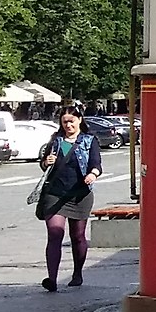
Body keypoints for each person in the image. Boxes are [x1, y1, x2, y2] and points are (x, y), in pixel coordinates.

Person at [36, 107, 102, 292]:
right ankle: (52, 279)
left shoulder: (89, 141)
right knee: (55, 232)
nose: (68, 125)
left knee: (78, 236)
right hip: (55, 193)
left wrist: (93, 174)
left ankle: (77, 273)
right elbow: (44, 164)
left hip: (80, 194)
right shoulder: (56, 141)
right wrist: (46, 162)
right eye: (64, 122)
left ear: (79, 120)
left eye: (71, 121)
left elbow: (96, 163)